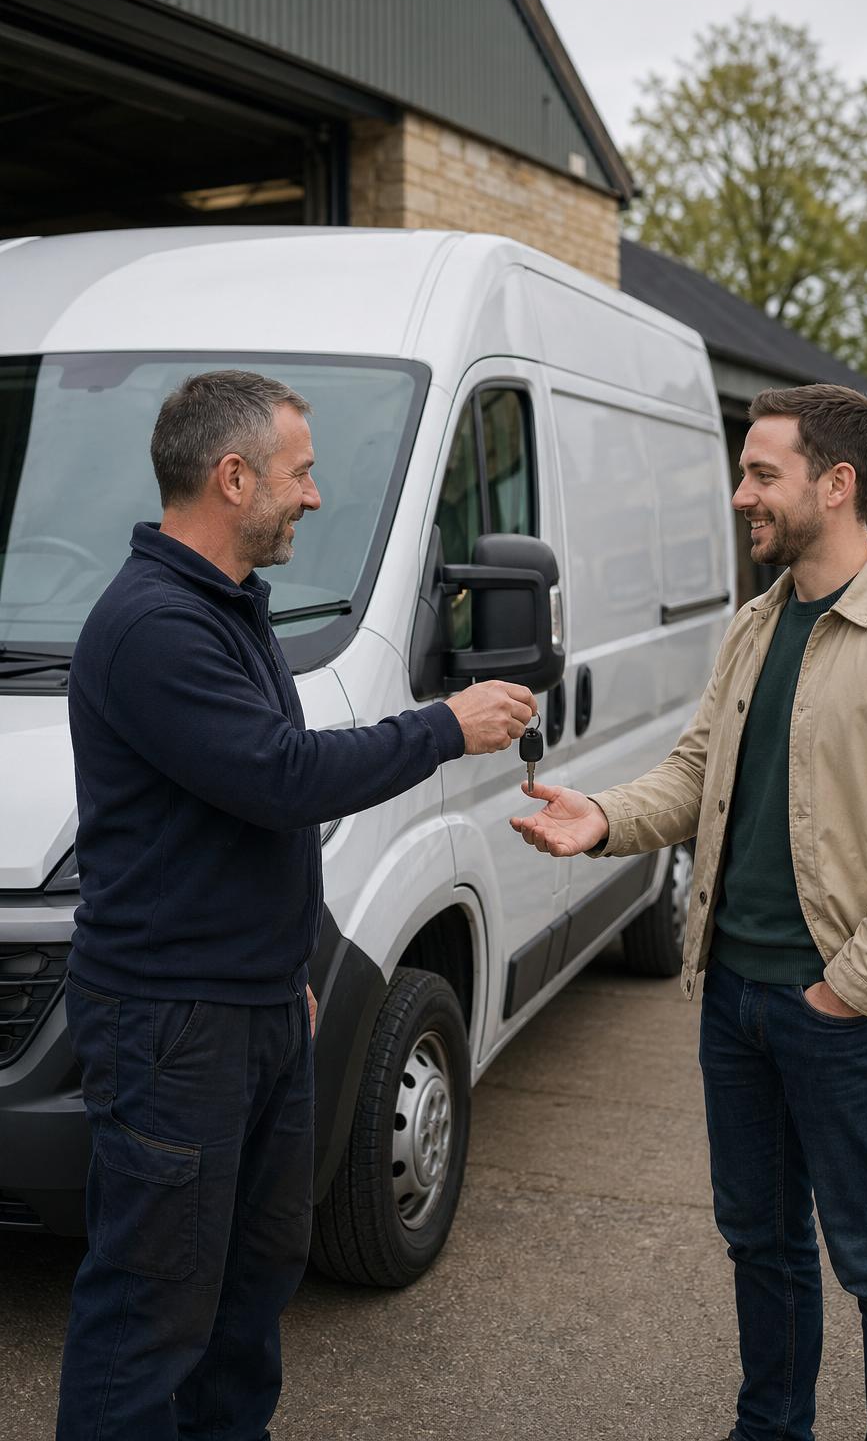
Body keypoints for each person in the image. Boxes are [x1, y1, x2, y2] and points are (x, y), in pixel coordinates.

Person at [511, 384, 867, 1441]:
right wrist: (599, 817)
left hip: (844, 1015)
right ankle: (770, 1428)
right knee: (760, 1243)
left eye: (761, 474)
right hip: (732, 995)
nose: (741, 496)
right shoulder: (754, 625)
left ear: (837, 485)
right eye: (743, 474)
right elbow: (696, 776)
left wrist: (847, 990)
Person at [58, 370, 537, 1440]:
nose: (312, 497)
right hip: (175, 1027)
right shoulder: (151, 626)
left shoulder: (228, 608)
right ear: (233, 478)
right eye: (300, 473)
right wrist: (444, 726)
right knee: (151, 1311)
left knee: (250, 1289)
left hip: (254, 1012)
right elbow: (282, 776)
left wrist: (293, 974)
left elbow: (257, 826)